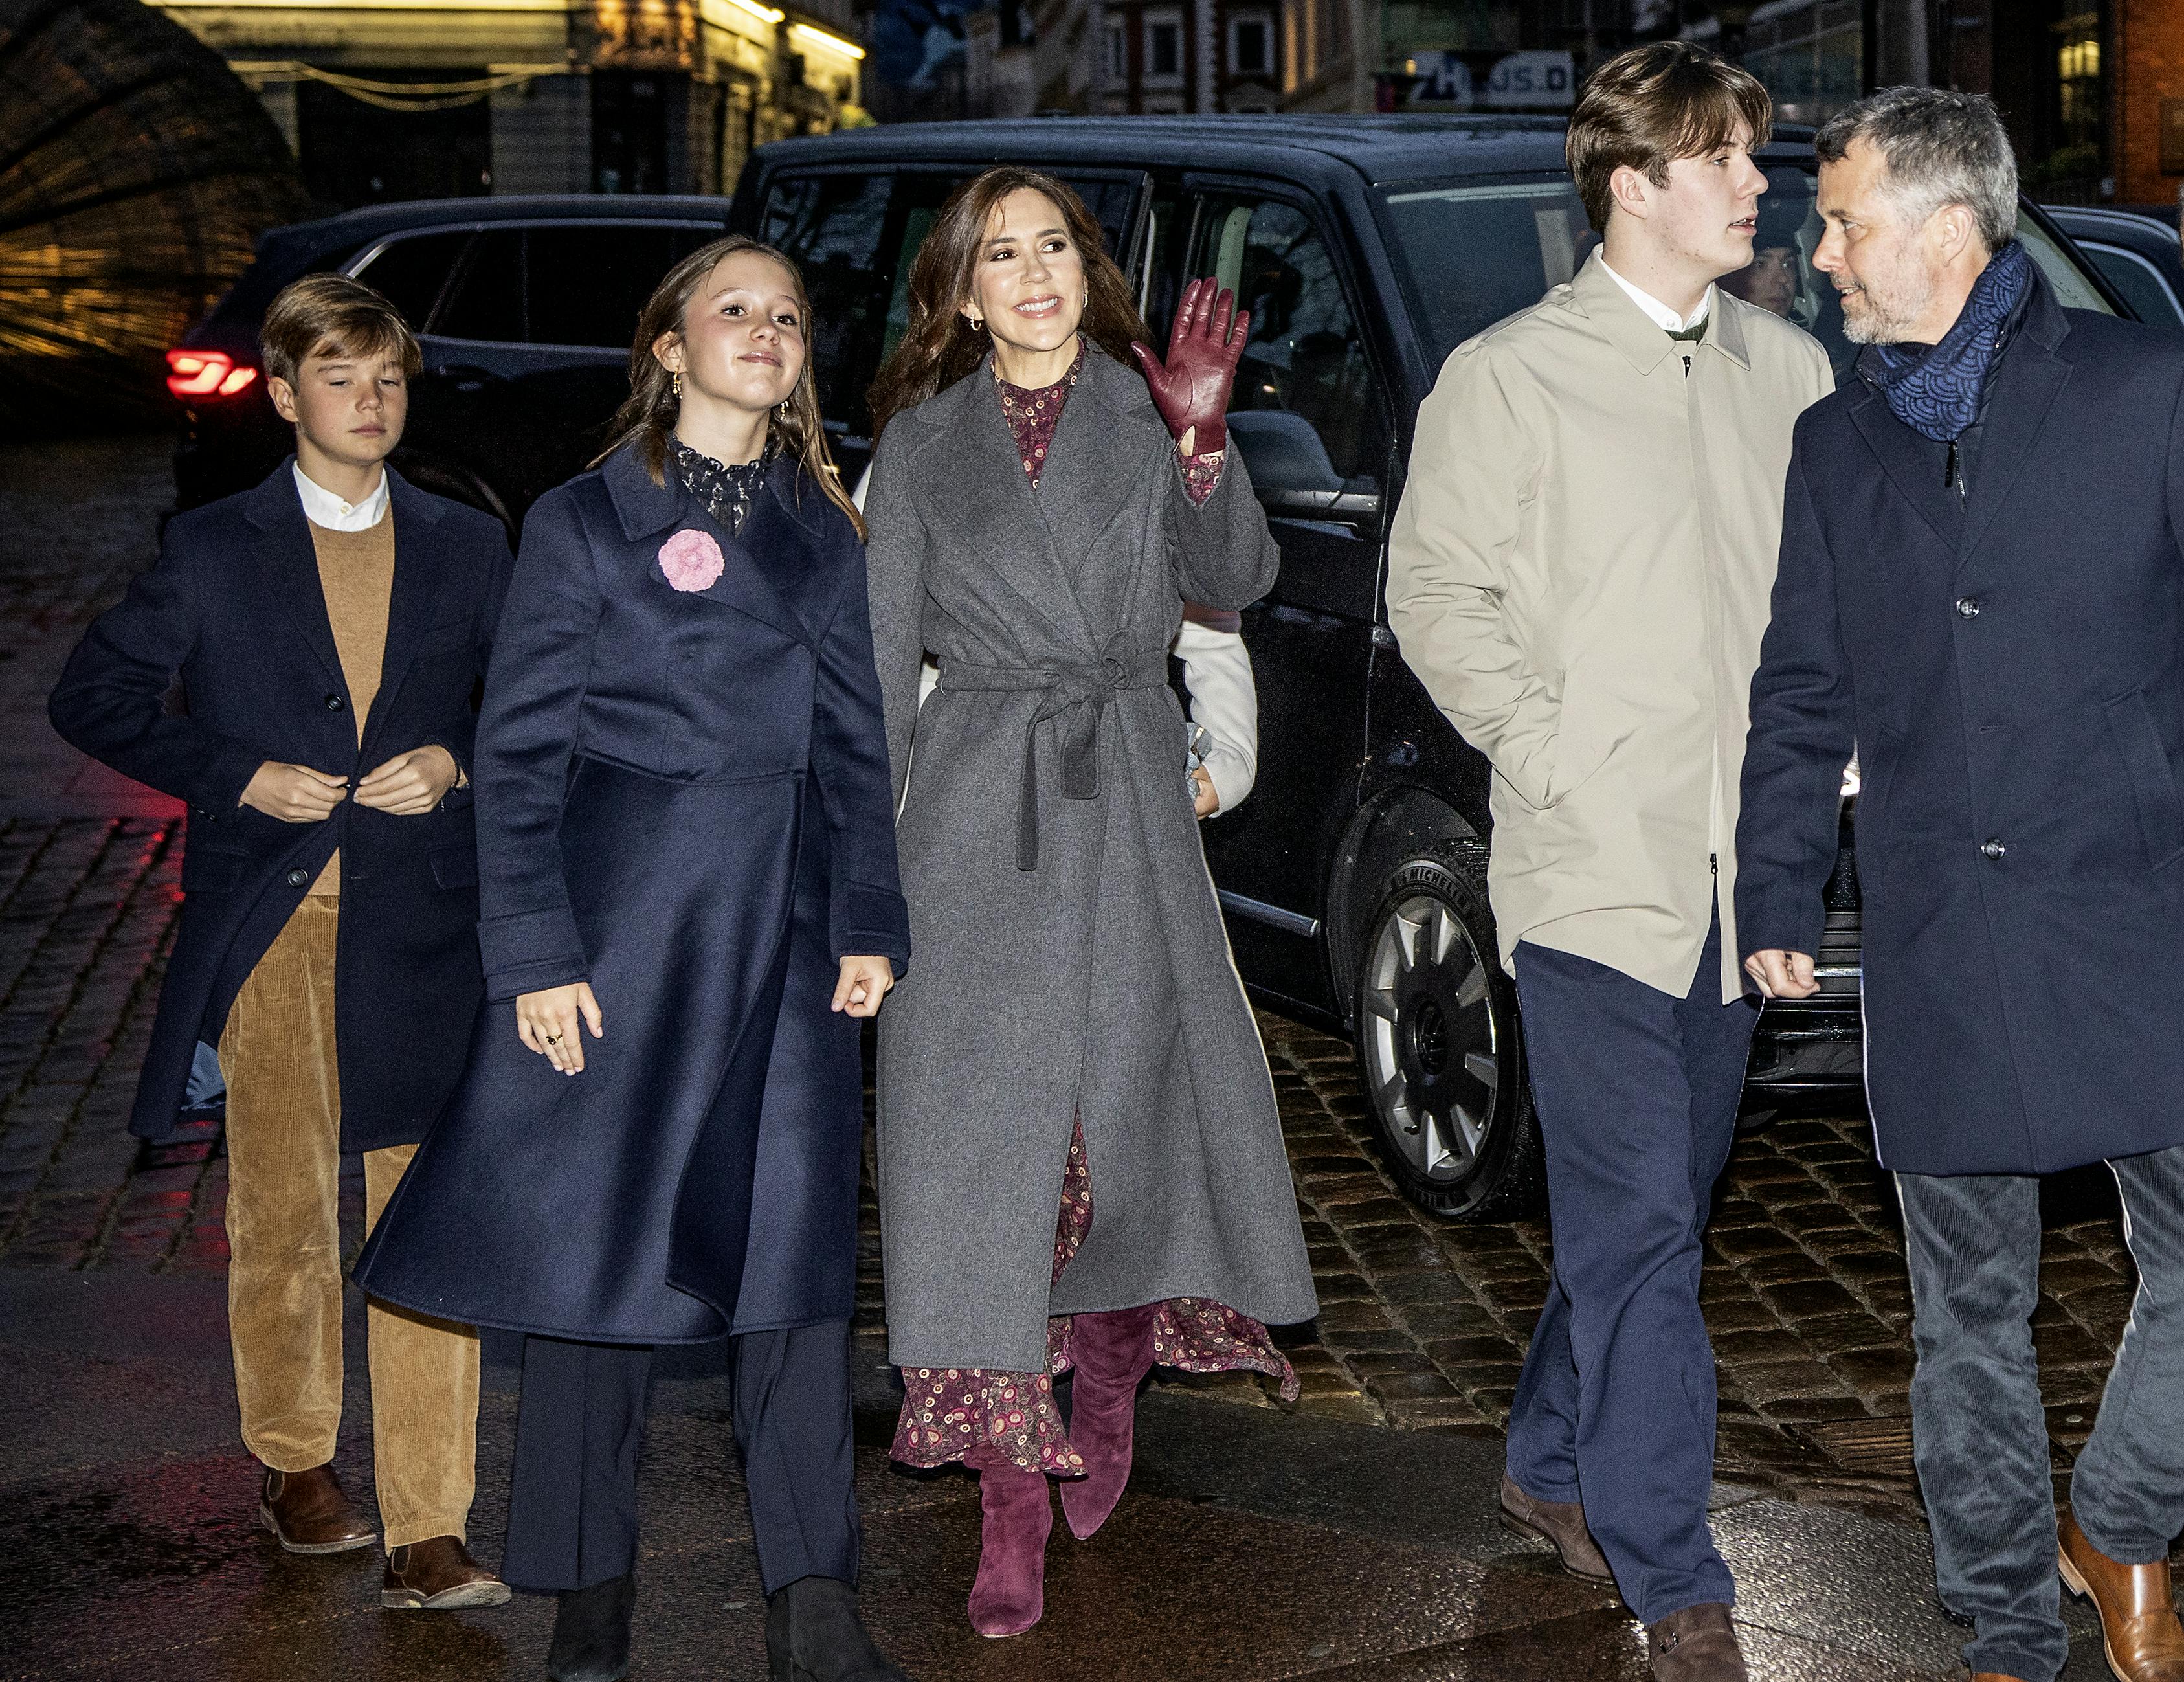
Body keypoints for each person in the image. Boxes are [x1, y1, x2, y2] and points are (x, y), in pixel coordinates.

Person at [355, 238, 915, 1682]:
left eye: (787, 315)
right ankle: (589, 1597)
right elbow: (520, 755)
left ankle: (817, 1603)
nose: (766, 331)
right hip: (625, 930)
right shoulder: (586, 521)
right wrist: (533, 953)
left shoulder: (822, 525)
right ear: (668, 347)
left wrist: (869, 919)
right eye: (733, 309)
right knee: (599, 1264)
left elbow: (859, 745)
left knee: (790, 1262)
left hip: (785, 935)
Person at [1385, 44, 1834, 1682]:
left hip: (1741, 886)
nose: (1753, 186)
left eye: (1753, 160)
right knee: (1641, 1220)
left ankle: (1548, 1460)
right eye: (1721, 159)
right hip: (1589, 873)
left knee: (1651, 1215)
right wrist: (1556, 750)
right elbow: (1432, 597)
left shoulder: (1789, 370)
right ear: (1629, 183)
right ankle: (1675, 1568)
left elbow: (1822, 612)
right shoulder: (1508, 378)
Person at [1738, 88, 2184, 1682]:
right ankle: (2006, 1627)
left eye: (1844, 219)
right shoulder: (1834, 440)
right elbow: (1799, 688)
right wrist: (1779, 891)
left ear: (1944, 227)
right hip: (1935, 923)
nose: (1820, 249)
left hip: (2139, 911)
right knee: (1966, 1319)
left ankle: (2122, 1519)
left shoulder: (2149, 387)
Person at [860, 167, 1317, 1639]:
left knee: (1123, 1118)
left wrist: (1199, 442)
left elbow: (1234, 577)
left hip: (1124, 785)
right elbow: (876, 678)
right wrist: (858, 883)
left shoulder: (1149, 408)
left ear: (1084, 267)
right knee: (972, 1145)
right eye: (1002, 253)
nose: (1035, 272)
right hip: (977, 805)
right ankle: (1006, 1486)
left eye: (1054, 244)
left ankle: (1110, 1357)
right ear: (962, 289)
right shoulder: (920, 448)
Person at [47, 275, 512, 1609]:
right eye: (342, 380)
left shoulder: (468, 546)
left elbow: (545, 704)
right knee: (288, 1218)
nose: (370, 404)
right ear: (284, 391)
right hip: (280, 934)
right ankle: (297, 1461)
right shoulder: (212, 549)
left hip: (427, 933)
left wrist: (454, 760)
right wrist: (230, 771)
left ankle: (432, 1522)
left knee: (429, 1220)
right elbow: (94, 694)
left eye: (390, 381)